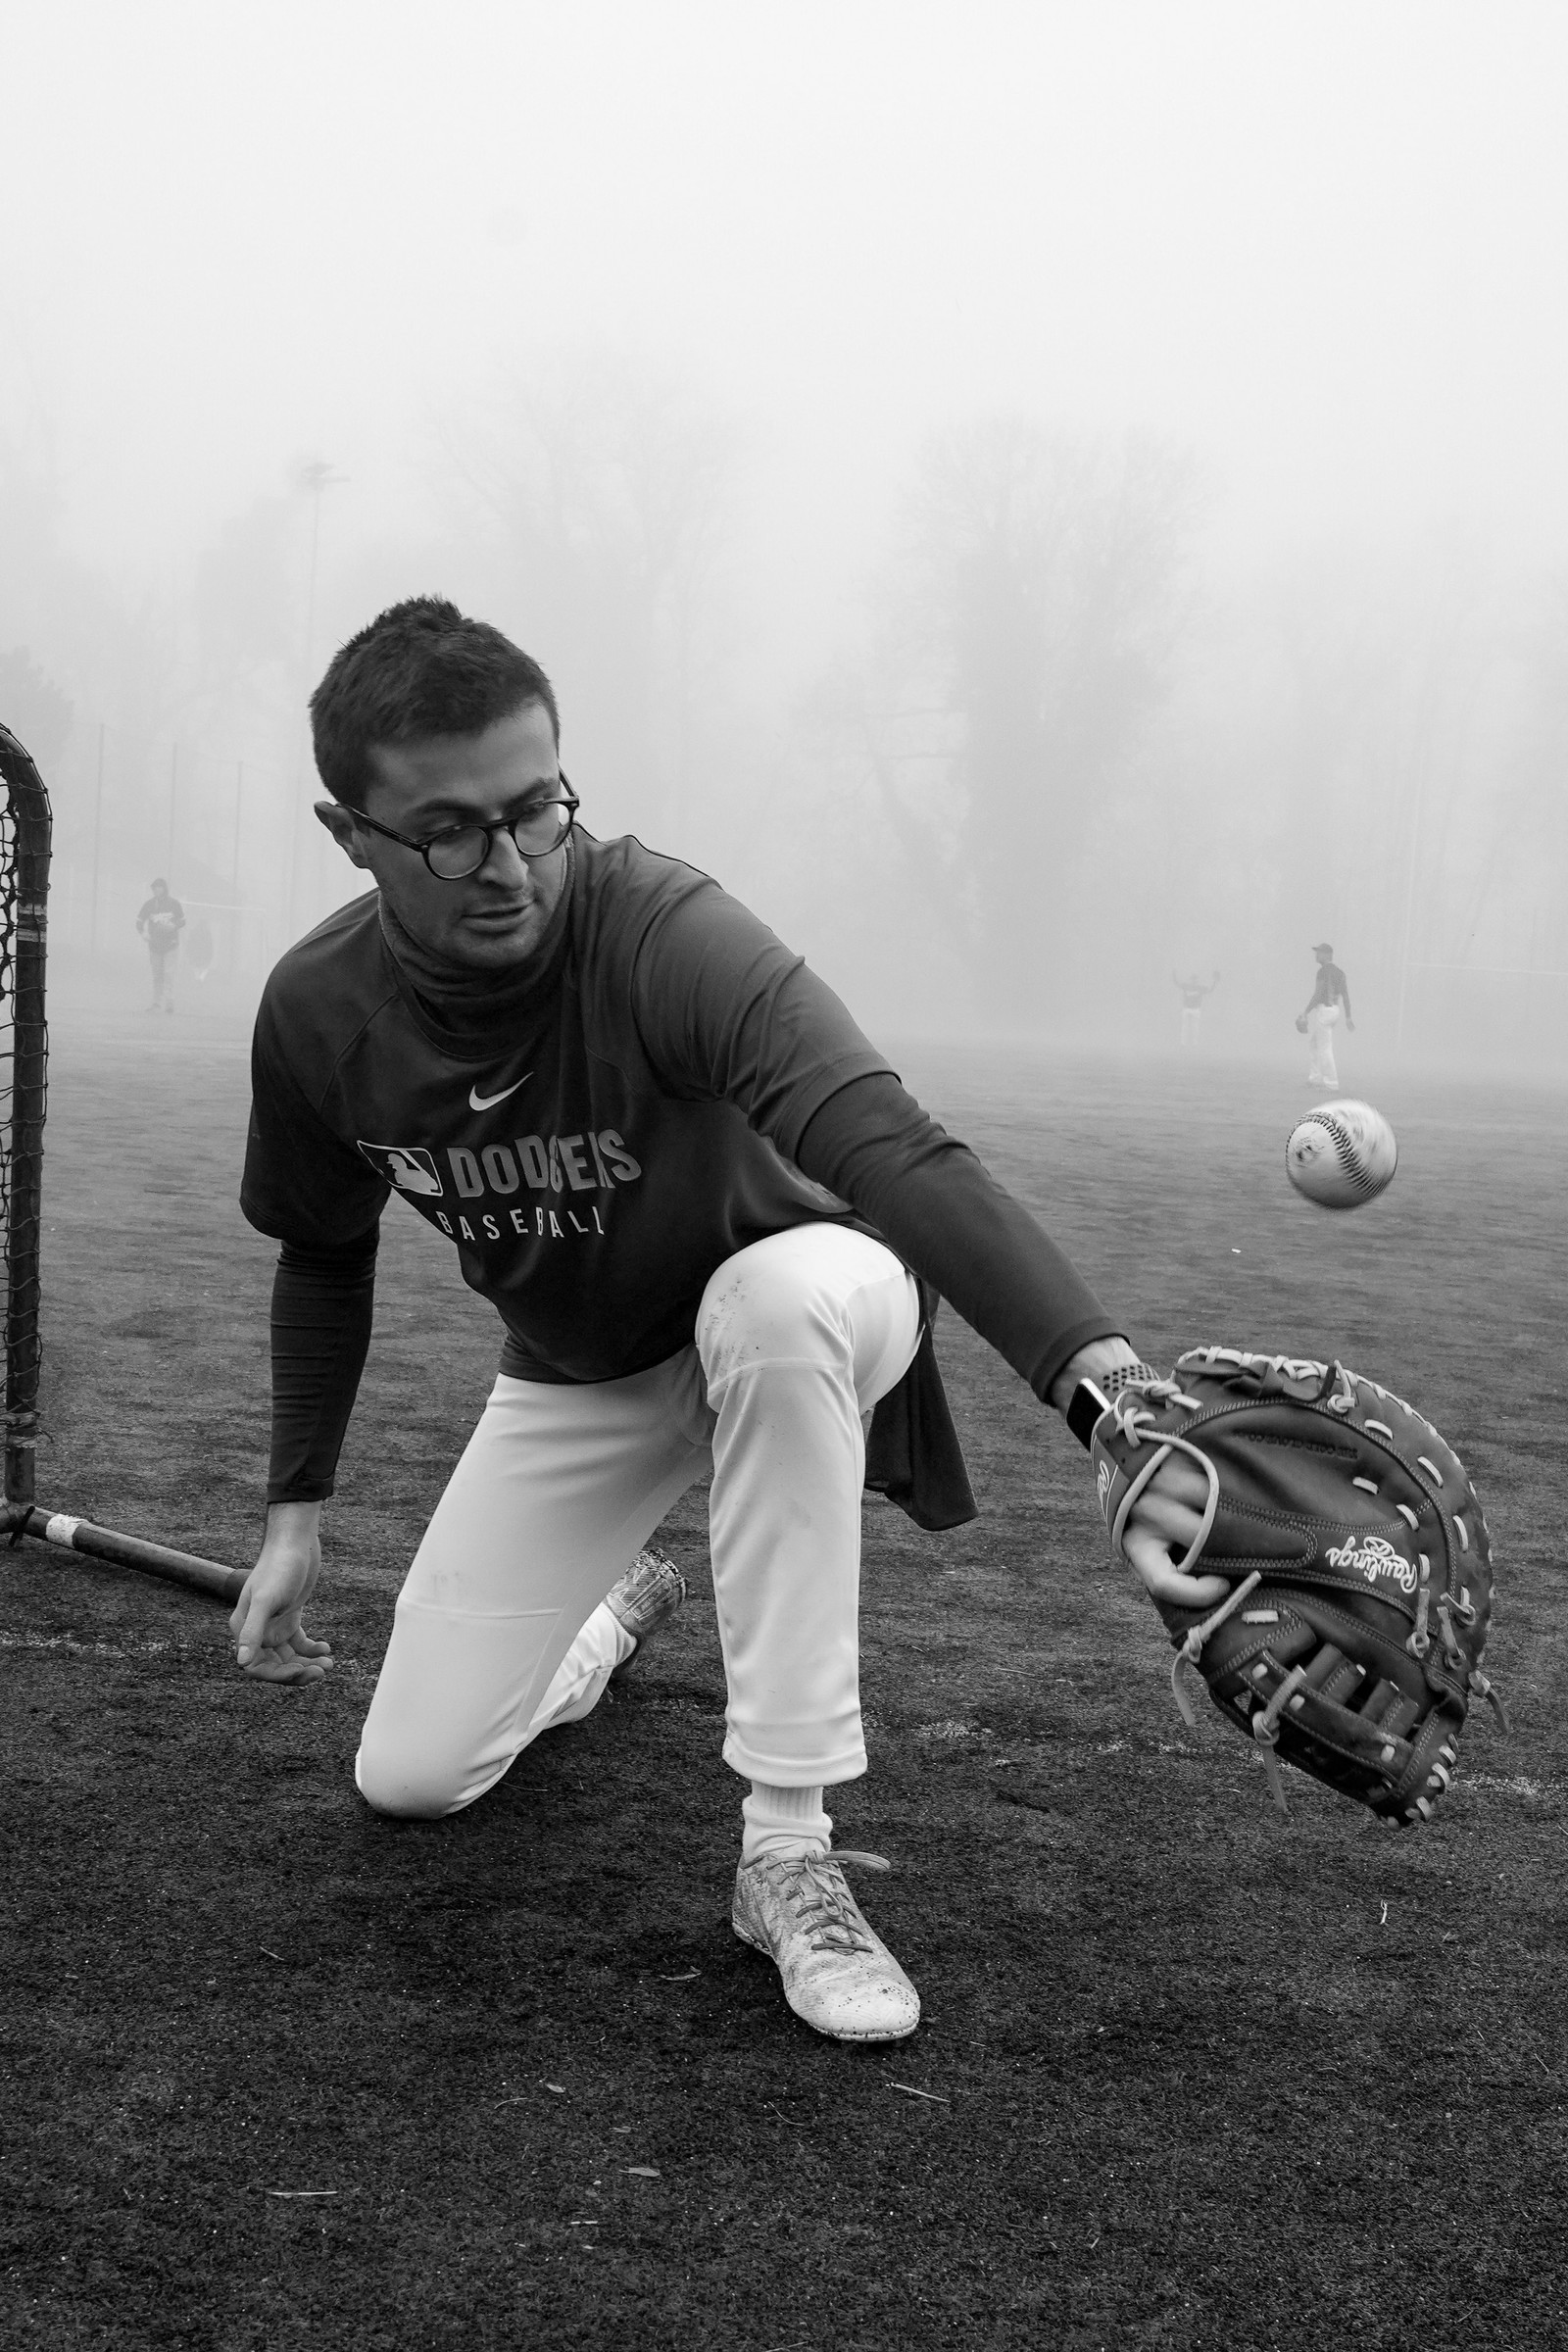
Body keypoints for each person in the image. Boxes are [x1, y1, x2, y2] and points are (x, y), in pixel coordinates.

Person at [229, 598, 1212, 2047]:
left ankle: (789, 1852)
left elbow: (890, 1144)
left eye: (534, 808)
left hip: (812, 1290)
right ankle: (607, 1627)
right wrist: (294, 1516)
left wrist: (1112, 1397)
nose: (509, 865)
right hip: (586, 1368)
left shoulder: (662, 928)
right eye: (448, 830)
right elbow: (323, 1255)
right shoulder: (320, 1012)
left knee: (774, 1303)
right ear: (346, 832)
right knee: (411, 1779)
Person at [1297, 942, 1353, 1088]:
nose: (1317, 955)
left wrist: (1305, 1012)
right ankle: (1315, 1078)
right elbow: (1345, 996)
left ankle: (1331, 1082)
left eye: (1319, 952)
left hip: (1325, 1011)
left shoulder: (1322, 972)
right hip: (1335, 1011)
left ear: (1328, 955)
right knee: (1314, 1044)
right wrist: (1348, 1017)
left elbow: (1318, 994)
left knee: (1324, 1048)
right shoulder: (1340, 973)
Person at [136, 877, 185, 1012]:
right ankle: (156, 1003)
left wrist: (173, 926)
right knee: (157, 975)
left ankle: (169, 1003)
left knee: (169, 974)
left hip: (171, 945)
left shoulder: (174, 904)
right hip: (155, 946)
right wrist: (143, 933)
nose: (156, 890)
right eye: (154, 888)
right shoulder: (149, 905)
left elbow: (183, 920)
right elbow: (139, 920)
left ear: (164, 888)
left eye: (159, 887)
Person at [1172, 969, 1218, 1048]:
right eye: (1193, 979)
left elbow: (1210, 990)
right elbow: (1176, 983)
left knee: (1195, 1027)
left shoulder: (1200, 988)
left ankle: (1195, 1044)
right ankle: (1183, 1043)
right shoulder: (1186, 986)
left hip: (1196, 1009)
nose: (1194, 980)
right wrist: (1174, 975)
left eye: (1195, 979)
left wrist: (1214, 982)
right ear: (1191, 980)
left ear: (1197, 980)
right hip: (1186, 1009)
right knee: (1185, 1027)